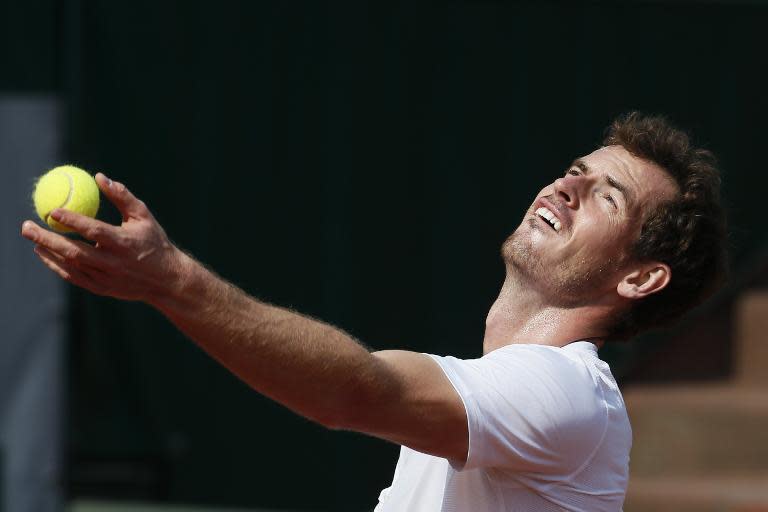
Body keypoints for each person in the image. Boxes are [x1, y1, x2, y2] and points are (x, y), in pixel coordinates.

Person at [20, 112, 727, 511]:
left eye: (608, 196)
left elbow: (353, 391)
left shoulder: (570, 397)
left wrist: (169, 281)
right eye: (577, 168)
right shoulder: (487, 408)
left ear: (642, 277)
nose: (568, 186)